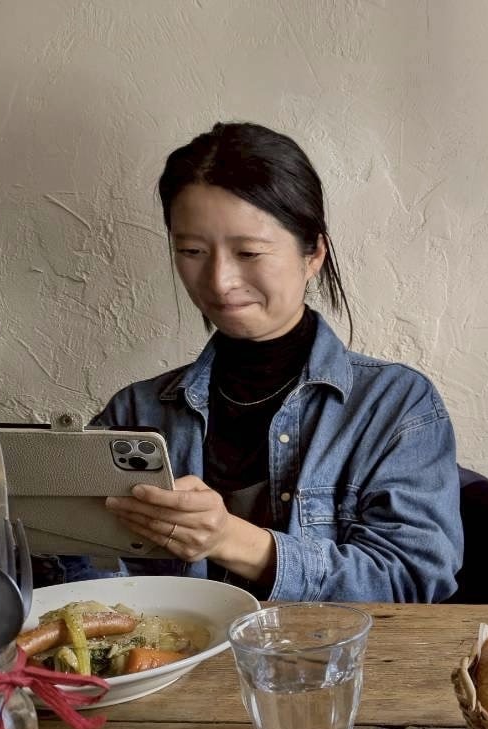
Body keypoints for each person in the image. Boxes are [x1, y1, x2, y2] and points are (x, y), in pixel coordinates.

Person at [48, 122, 463, 602]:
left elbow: (410, 580)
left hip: (330, 653)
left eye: (248, 252)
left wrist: (229, 539)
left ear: (314, 254)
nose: (219, 281)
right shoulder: (136, 412)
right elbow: (85, 579)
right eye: (192, 251)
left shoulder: (394, 405)